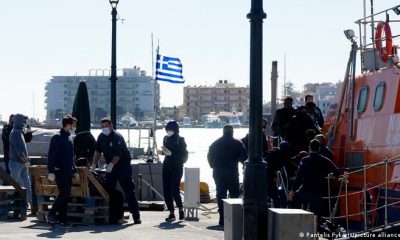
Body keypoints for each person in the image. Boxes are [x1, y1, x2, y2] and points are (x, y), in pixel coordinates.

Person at [92, 118, 141, 224]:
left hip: (122, 166)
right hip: (111, 166)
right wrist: (94, 163)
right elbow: (97, 151)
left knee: (129, 190)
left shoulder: (116, 137)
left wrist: (111, 165)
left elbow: (117, 155)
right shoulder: (101, 137)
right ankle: (114, 215)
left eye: (106, 126)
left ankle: (136, 216)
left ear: (111, 126)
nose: (104, 128)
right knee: (108, 189)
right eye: (102, 127)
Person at [289, 139, 340, 229]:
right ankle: (316, 230)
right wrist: (333, 175)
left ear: (309, 148)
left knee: (294, 202)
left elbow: (299, 176)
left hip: (305, 189)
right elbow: (336, 171)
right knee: (316, 214)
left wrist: (293, 190)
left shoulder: (305, 160)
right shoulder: (324, 160)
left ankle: (297, 225)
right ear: (319, 149)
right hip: (318, 191)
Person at [207, 125, 247, 226]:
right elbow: (244, 158)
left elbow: (209, 155)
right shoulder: (237, 143)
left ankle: (222, 219)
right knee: (234, 195)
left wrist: (212, 165)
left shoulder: (216, 143)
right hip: (232, 172)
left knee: (221, 194)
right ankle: (234, 218)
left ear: (223, 132)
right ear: (232, 132)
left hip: (218, 172)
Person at [46, 115, 78, 225]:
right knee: (64, 193)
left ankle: (63, 219)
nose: (74, 127)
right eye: (73, 125)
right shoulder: (57, 137)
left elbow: (71, 157)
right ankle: (51, 214)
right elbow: (51, 155)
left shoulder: (69, 138)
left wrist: (74, 171)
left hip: (68, 171)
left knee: (66, 194)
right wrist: (51, 171)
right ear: (68, 125)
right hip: (59, 171)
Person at [160, 121, 188, 222]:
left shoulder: (180, 140)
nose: (169, 131)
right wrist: (163, 152)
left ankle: (181, 210)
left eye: (171, 130)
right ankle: (171, 212)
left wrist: (172, 154)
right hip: (166, 166)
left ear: (175, 130)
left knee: (174, 189)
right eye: (167, 130)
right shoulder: (165, 138)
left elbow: (183, 154)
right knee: (166, 190)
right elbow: (165, 150)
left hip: (177, 167)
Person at [9, 114, 33, 209]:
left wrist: (28, 125)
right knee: (14, 183)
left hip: (22, 163)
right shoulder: (15, 133)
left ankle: (28, 202)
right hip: (17, 163)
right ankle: (9, 201)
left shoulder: (20, 132)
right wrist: (26, 162)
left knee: (26, 184)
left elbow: (29, 138)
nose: (24, 123)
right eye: (23, 121)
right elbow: (19, 151)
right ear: (19, 121)